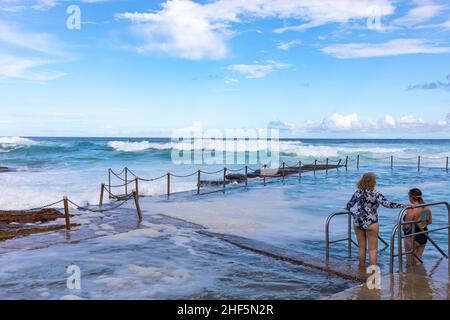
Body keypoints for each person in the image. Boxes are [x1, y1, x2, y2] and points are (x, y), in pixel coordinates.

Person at [346, 173, 406, 268]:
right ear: (373, 181)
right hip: (372, 222)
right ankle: (372, 271)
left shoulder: (357, 192)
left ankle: (361, 268)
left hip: (358, 222)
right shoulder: (376, 193)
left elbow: (349, 205)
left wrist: (352, 212)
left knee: (361, 247)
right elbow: (387, 204)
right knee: (373, 249)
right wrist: (402, 206)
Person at [403, 188, 432, 266]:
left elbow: (406, 226)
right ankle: (420, 275)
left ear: (411, 197)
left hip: (412, 235)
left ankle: (409, 277)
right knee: (417, 260)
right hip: (424, 234)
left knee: (409, 262)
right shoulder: (425, 208)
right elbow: (428, 222)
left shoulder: (411, 210)